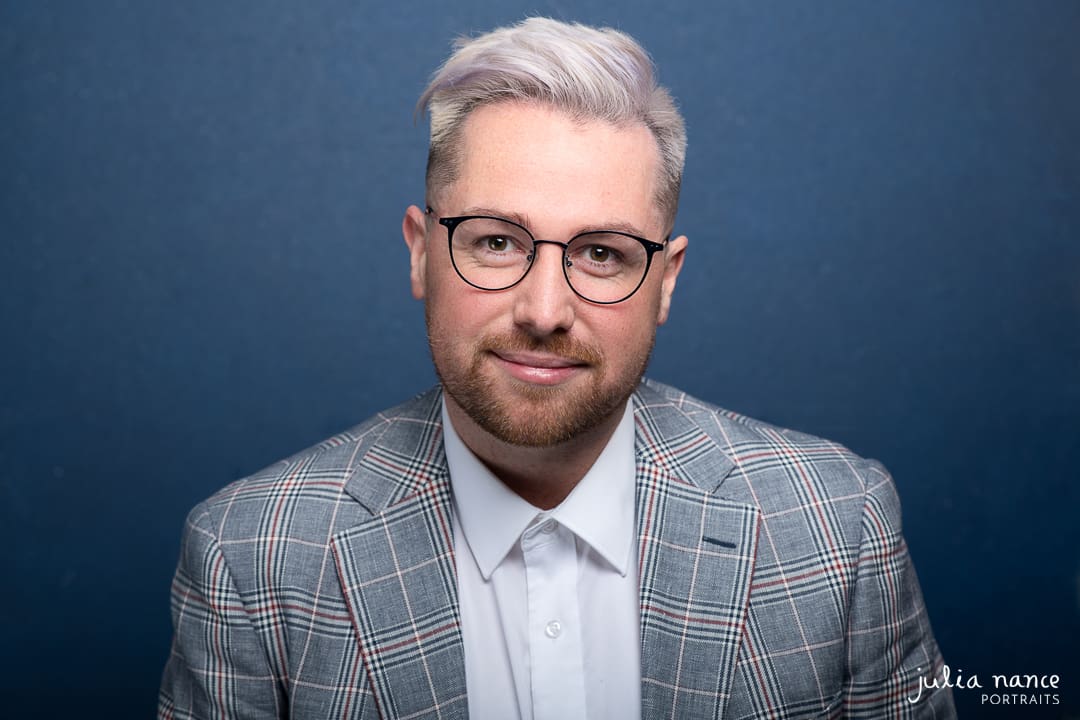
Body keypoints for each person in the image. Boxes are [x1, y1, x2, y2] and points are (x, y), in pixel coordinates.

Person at [159, 17, 955, 719]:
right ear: (421, 254)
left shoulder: (838, 530)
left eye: (602, 253)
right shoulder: (252, 560)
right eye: (497, 241)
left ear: (665, 281)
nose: (544, 310)